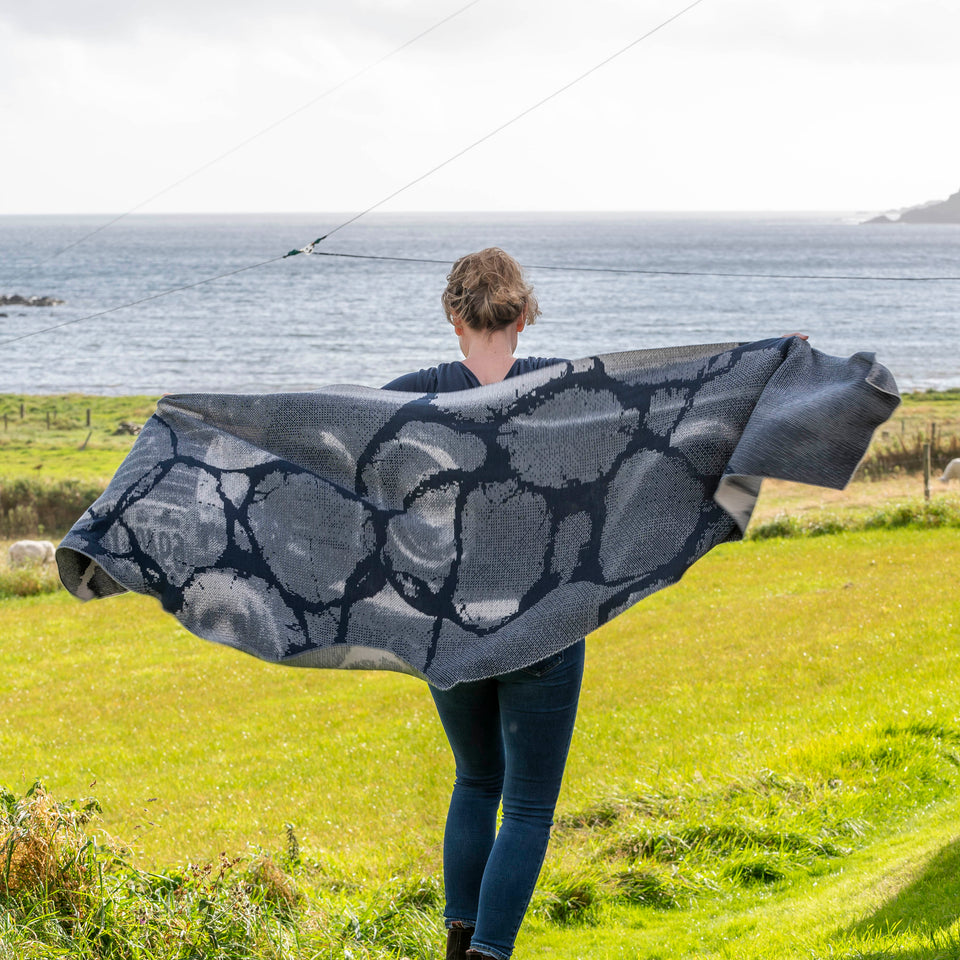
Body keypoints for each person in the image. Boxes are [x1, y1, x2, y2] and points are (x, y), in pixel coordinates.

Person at [383, 248, 585, 960]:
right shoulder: (567, 391)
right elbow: (679, 403)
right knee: (526, 805)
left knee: (476, 780)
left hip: (450, 628)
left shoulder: (411, 397)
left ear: (452, 315)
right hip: (544, 626)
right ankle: (487, 954)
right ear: (524, 315)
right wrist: (770, 365)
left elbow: (327, 447)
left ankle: (459, 942)